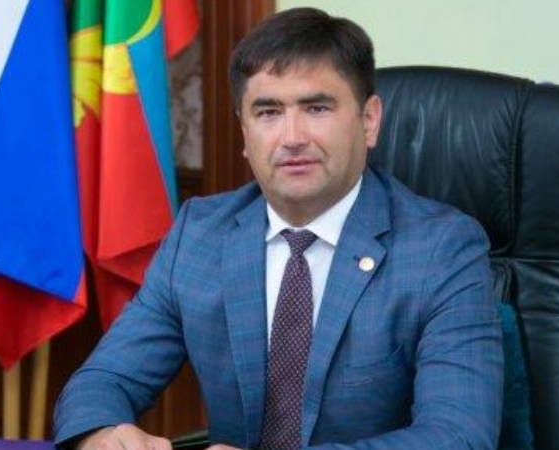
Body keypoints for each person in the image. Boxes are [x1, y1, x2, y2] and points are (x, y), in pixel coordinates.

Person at [54, 7, 503, 450]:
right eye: (268, 112)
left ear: (369, 120)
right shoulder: (200, 235)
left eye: (317, 108)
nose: (292, 137)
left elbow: (459, 435)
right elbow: (104, 379)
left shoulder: (443, 249)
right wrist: (102, 433)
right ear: (244, 131)